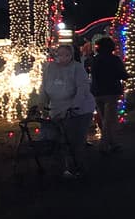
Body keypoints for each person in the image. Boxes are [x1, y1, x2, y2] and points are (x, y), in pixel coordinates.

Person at [40, 44, 96, 178]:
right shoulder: (49, 68)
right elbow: (44, 87)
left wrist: (73, 107)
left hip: (78, 110)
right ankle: (62, 168)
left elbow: (82, 89)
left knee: (75, 141)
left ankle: (79, 169)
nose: (63, 58)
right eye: (60, 54)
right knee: (58, 140)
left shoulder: (77, 68)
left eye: (66, 55)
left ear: (71, 56)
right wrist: (41, 104)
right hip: (57, 108)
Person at [89, 37, 127, 154]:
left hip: (97, 92)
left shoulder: (95, 60)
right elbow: (122, 74)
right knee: (109, 119)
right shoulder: (114, 59)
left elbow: (93, 74)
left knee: (105, 118)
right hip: (111, 91)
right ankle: (104, 145)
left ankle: (113, 143)